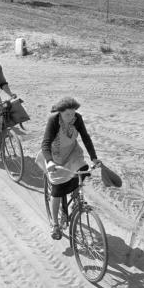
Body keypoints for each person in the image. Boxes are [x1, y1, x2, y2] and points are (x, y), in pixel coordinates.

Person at [36, 97, 101, 240]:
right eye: (67, 115)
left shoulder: (77, 118)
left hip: (72, 152)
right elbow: (45, 143)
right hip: (55, 156)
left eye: (73, 113)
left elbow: (85, 137)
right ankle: (55, 225)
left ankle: (75, 194)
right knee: (57, 191)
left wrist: (94, 157)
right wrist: (50, 161)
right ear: (60, 112)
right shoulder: (53, 120)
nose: (71, 117)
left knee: (82, 170)